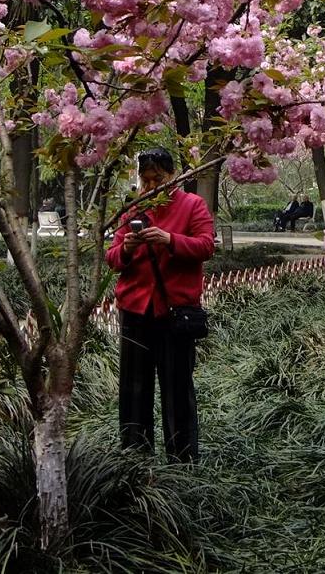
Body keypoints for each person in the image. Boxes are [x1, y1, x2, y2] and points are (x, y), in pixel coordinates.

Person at [105, 147, 215, 462]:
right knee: (133, 390)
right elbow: (112, 258)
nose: (151, 187)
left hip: (175, 312)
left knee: (177, 389)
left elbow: (206, 246)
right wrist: (125, 247)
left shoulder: (192, 205)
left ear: (173, 177)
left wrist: (170, 240)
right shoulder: (132, 210)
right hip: (136, 310)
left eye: (158, 179)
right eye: (146, 180)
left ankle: (182, 459)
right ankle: (135, 458)